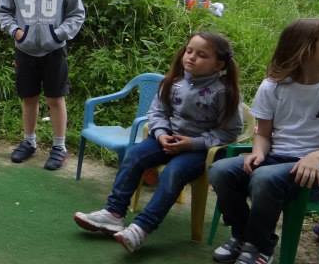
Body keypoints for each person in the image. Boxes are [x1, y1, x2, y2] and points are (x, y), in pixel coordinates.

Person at [209, 17, 319, 264]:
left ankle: (260, 248)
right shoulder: (273, 86)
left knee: (265, 177)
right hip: (275, 159)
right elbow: (263, 133)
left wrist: (314, 156)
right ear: (304, 49)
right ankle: (244, 235)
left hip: (317, 173)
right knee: (222, 170)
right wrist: (258, 150)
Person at [73, 32, 243, 252]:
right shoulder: (173, 81)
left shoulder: (224, 92)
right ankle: (114, 214)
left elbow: (230, 132)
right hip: (166, 140)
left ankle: (141, 229)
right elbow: (157, 113)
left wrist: (192, 143)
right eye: (189, 50)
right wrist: (161, 133)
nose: (190, 57)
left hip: (198, 150)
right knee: (135, 155)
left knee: (173, 172)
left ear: (219, 64)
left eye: (201, 55)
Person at [0, 0, 86, 170]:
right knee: (29, 98)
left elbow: (77, 14)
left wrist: (59, 34)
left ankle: (59, 146)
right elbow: (2, 11)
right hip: (25, 50)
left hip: (54, 50)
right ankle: (29, 141)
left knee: (55, 98)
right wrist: (16, 31)